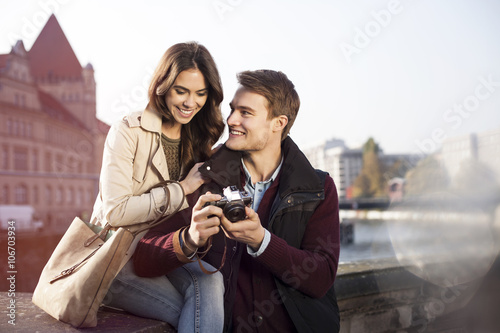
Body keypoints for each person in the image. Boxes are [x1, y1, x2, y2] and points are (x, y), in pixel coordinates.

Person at [134, 69, 341, 332]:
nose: (231, 120)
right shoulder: (202, 177)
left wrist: (262, 242)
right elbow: (143, 256)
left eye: (245, 113)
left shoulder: (318, 188)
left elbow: (321, 278)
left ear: (278, 123)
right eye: (232, 110)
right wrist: (189, 238)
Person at [89, 42, 226, 332]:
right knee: (197, 314)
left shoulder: (198, 140)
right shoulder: (127, 131)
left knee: (213, 279)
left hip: (161, 251)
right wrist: (183, 188)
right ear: (162, 85)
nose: (191, 103)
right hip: (118, 257)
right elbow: (115, 211)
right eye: (182, 91)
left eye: (201, 94)